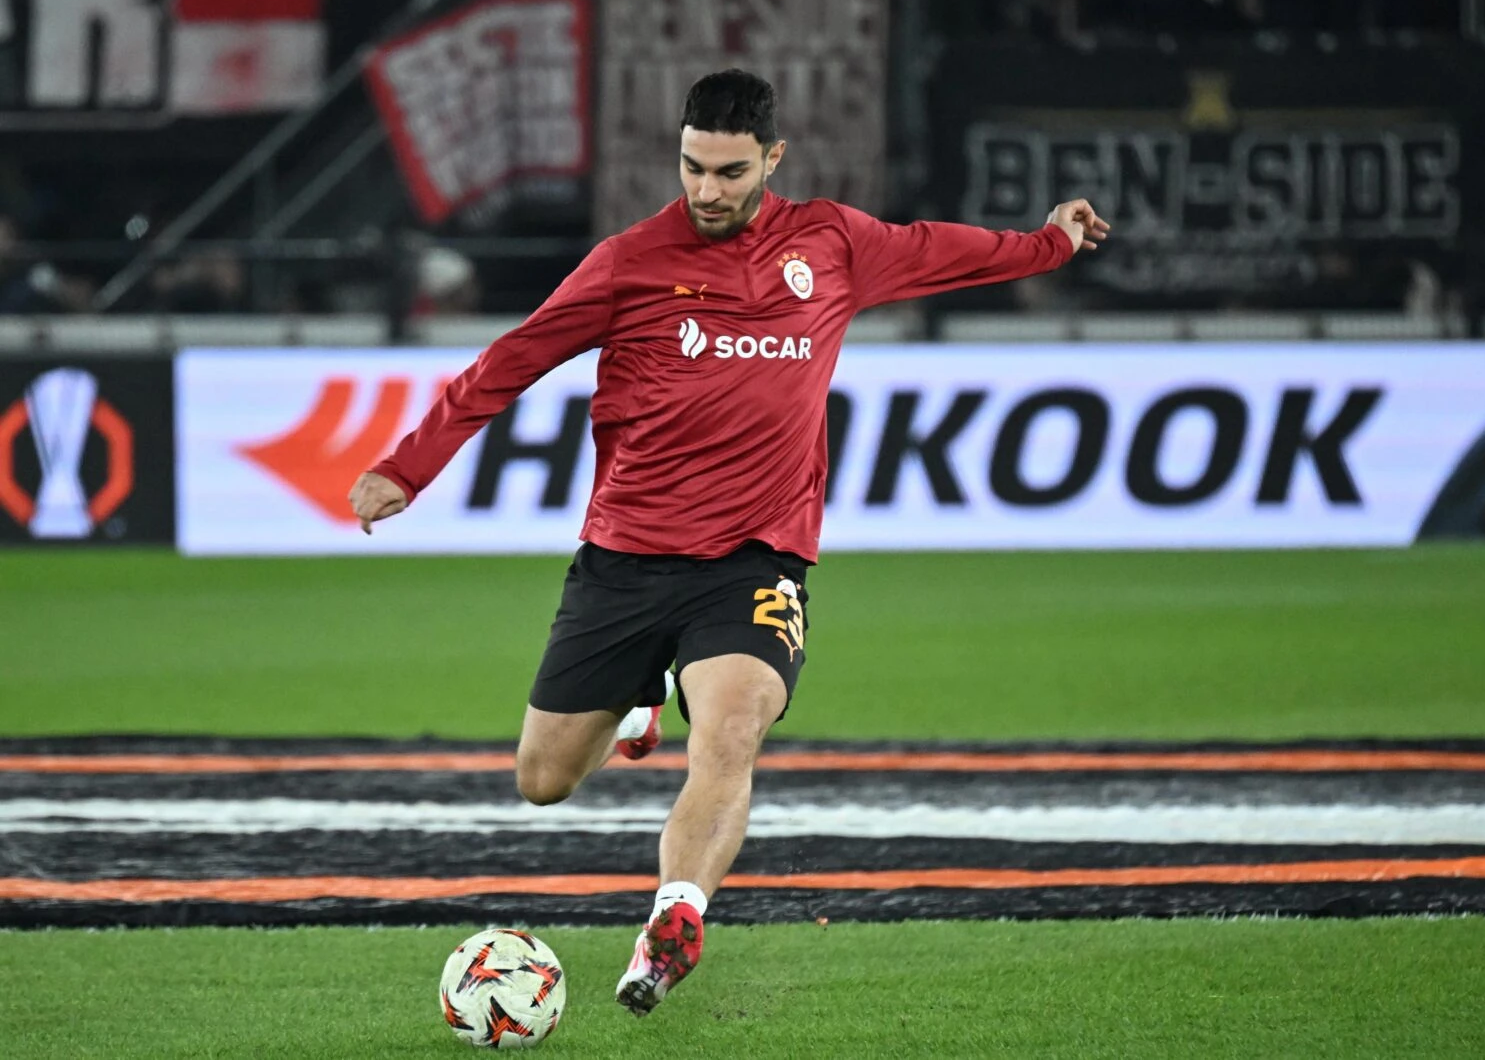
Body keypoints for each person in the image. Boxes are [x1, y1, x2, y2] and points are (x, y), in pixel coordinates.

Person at [347, 69, 1109, 1016]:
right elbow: (510, 361)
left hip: (753, 560)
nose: (706, 189)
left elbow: (945, 252)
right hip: (626, 559)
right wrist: (405, 468)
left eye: (729, 170)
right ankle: (640, 690)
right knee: (542, 779)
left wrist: (1050, 240)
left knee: (733, 729)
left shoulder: (831, 242)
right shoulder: (628, 261)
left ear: (772, 160)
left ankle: (673, 918)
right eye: (692, 166)